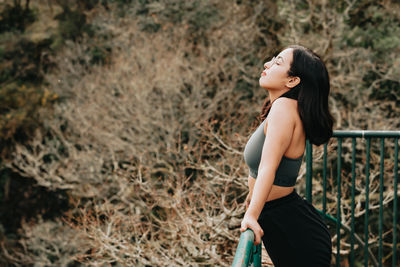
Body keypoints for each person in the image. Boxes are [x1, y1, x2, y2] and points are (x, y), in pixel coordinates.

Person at [241, 45, 333, 266]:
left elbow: (268, 167)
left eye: (278, 62)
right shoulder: (286, 107)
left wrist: (251, 214)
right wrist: (252, 197)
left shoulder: (284, 107)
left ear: (292, 81)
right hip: (285, 221)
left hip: (293, 231)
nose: (267, 64)